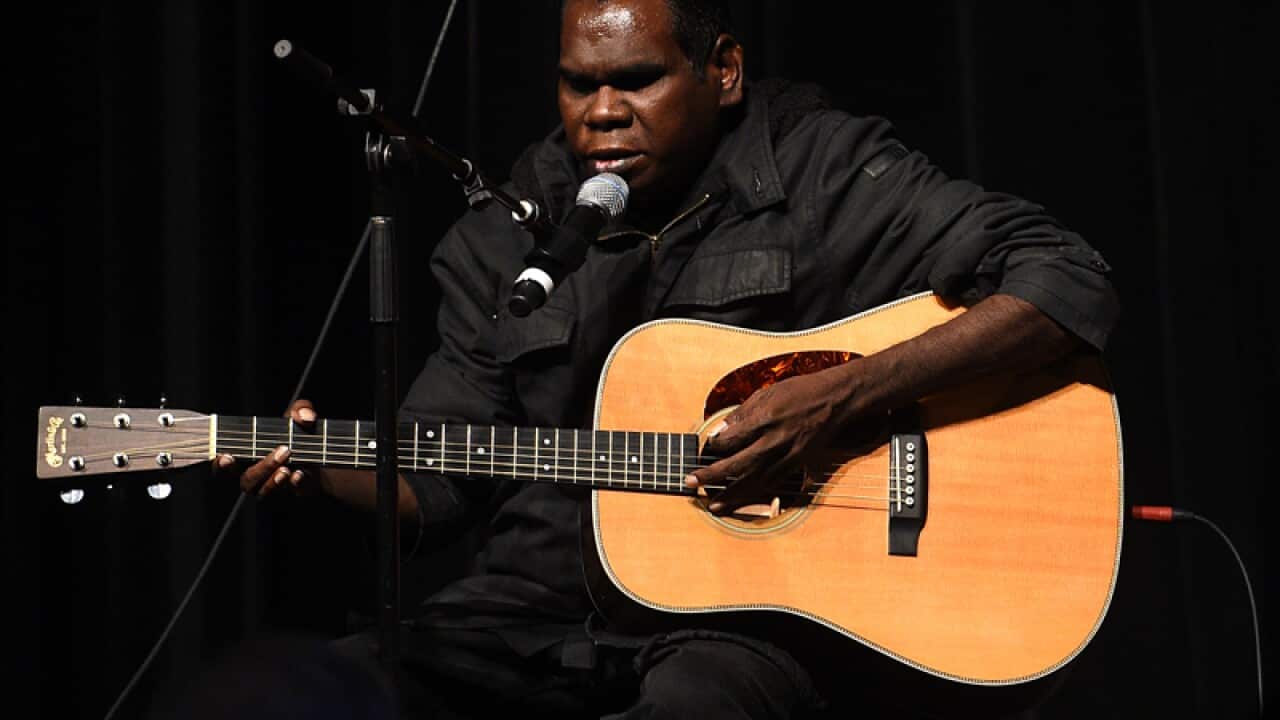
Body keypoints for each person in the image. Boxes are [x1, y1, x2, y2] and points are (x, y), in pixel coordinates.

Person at [219, 0, 1118, 717]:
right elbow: (444, 476)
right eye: (577, 86)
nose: (602, 114)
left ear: (721, 71)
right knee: (314, 693)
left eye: (637, 81)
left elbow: (1066, 281)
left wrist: (836, 400)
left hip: (739, 629)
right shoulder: (507, 234)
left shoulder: (820, 171)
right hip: (529, 614)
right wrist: (327, 466)